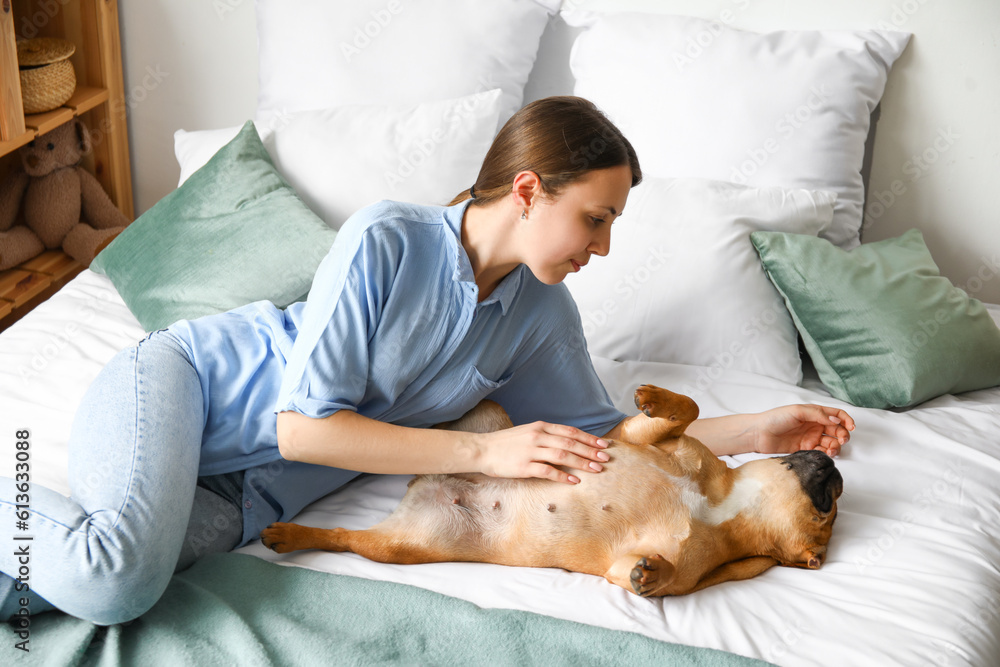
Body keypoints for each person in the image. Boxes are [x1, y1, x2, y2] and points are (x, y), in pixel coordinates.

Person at [0, 96, 854, 626]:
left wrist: (756, 430)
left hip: (240, 494)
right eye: (596, 217)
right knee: (116, 582)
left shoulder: (541, 313)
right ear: (529, 191)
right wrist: (485, 451)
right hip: (181, 387)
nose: (604, 243)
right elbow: (301, 427)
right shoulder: (386, 237)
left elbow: (605, 437)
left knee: (34, 595)